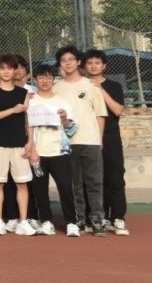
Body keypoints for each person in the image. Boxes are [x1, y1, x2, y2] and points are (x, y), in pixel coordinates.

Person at [52, 46, 108, 235]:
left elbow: (100, 114)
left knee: (94, 182)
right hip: (66, 144)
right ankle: (80, 220)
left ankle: (97, 220)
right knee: (73, 183)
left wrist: (99, 139)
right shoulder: (55, 88)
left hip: (90, 141)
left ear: (78, 62)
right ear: (60, 64)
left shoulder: (91, 86)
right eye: (63, 60)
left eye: (71, 59)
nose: (67, 63)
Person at [0, 54, 36, 236]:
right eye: (2, 68)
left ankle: (23, 221)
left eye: (10, 68)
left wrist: (30, 142)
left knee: (22, 184)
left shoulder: (23, 93)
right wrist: (12, 110)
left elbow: (29, 121)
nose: (6, 72)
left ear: (15, 71)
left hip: (19, 144)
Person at [27, 64, 80, 237]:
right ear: (35, 79)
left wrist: (65, 119)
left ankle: (71, 222)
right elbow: (27, 127)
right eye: (41, 77)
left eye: (48, 77)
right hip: (38, 153)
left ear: (53, 80)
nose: (45, 81)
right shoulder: (31, 101)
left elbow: (71, 129)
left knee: (65, 187)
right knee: (40, 190)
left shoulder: (62, 102)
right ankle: (46, 222)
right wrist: (32, 149)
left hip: (59, 152)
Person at [83, 49, 128, 236]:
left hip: (110, 138)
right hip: (86, 137)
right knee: (90, 180)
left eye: (97, 63)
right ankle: (93, 218)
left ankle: (117, 218)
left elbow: (117, 110)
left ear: (104, 66)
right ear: (84, 66)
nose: (93, 66)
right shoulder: (80, 86)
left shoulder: (114, 86)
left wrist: (100, 89)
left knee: (115, 177)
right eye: (90, 63)